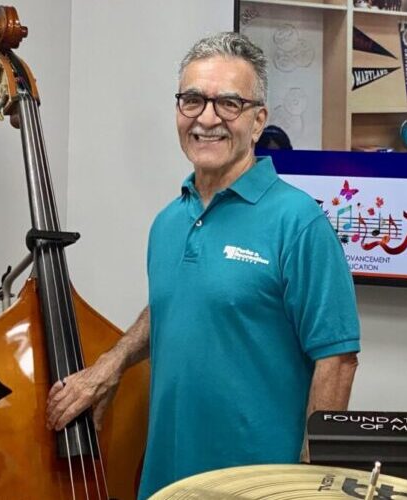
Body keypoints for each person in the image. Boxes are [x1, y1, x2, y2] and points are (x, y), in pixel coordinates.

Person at [45, 32, 360, 498]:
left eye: (228, 103)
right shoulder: (168, 222)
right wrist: (111, 363)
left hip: (261, 487)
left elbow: (337, 357)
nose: (207, 118)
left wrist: (310, 482)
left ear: (257, 122)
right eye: (192, 100)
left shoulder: (299, 221)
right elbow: (177, 307)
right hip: (167, 482)